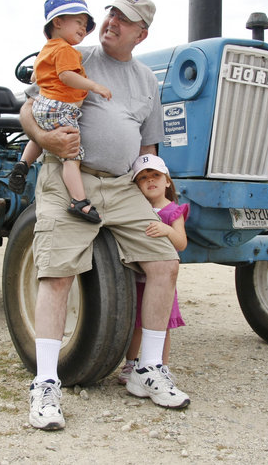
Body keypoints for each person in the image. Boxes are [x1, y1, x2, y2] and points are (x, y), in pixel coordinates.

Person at [19, 0, 190, 431]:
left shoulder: (148, 81)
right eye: (111, 12)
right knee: (57, 274)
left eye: (124, 18)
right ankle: (45, 382)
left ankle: (146, 369)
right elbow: (27, 109)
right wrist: (48, 139)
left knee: (165, 264)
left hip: (122, 185)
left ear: (141, 33)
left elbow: (148, 146)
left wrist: (156, 196)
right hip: (70, 177)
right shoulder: (77, 56)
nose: (112, 20)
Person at [9, 0, 111, 223]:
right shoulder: (66, 50)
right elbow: (66, 76)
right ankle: (79, 201)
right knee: (72, 155)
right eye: (79, 22)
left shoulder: (47, 49)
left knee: (42, 135)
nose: (83, 29)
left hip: (43, 104)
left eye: (86, 26)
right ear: (58, 22)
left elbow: (38, 74)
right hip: (61, 106)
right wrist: (94, 86)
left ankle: (23, 164)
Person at [118, 154, 188, 384]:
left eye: (156, 175)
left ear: (167, 181)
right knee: (136, 324)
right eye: (143, 178)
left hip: (160, 282)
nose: (150, 181)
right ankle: (130, 364)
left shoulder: (172, 211)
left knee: (161, 324)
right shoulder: (137, 210)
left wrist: (167, 230)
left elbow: (181, 243)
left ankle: (161, 366)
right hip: (137, 278)